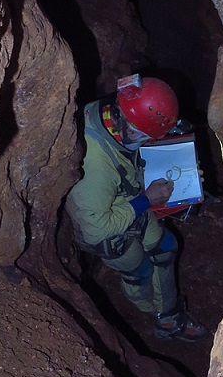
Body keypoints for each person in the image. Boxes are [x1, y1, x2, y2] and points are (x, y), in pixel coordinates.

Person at [66, 74, 208, 342]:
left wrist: (184, 180)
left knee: (165, 248)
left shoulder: (107, 113)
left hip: (130, 201)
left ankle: (169, 315)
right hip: (110, 232)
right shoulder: (94, 168)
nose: (147, 142)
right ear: (132, 129)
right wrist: (146, 200)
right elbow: (95, 230)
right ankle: (158, 315)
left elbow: (129, 165)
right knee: (140, 271)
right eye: (146, 138)